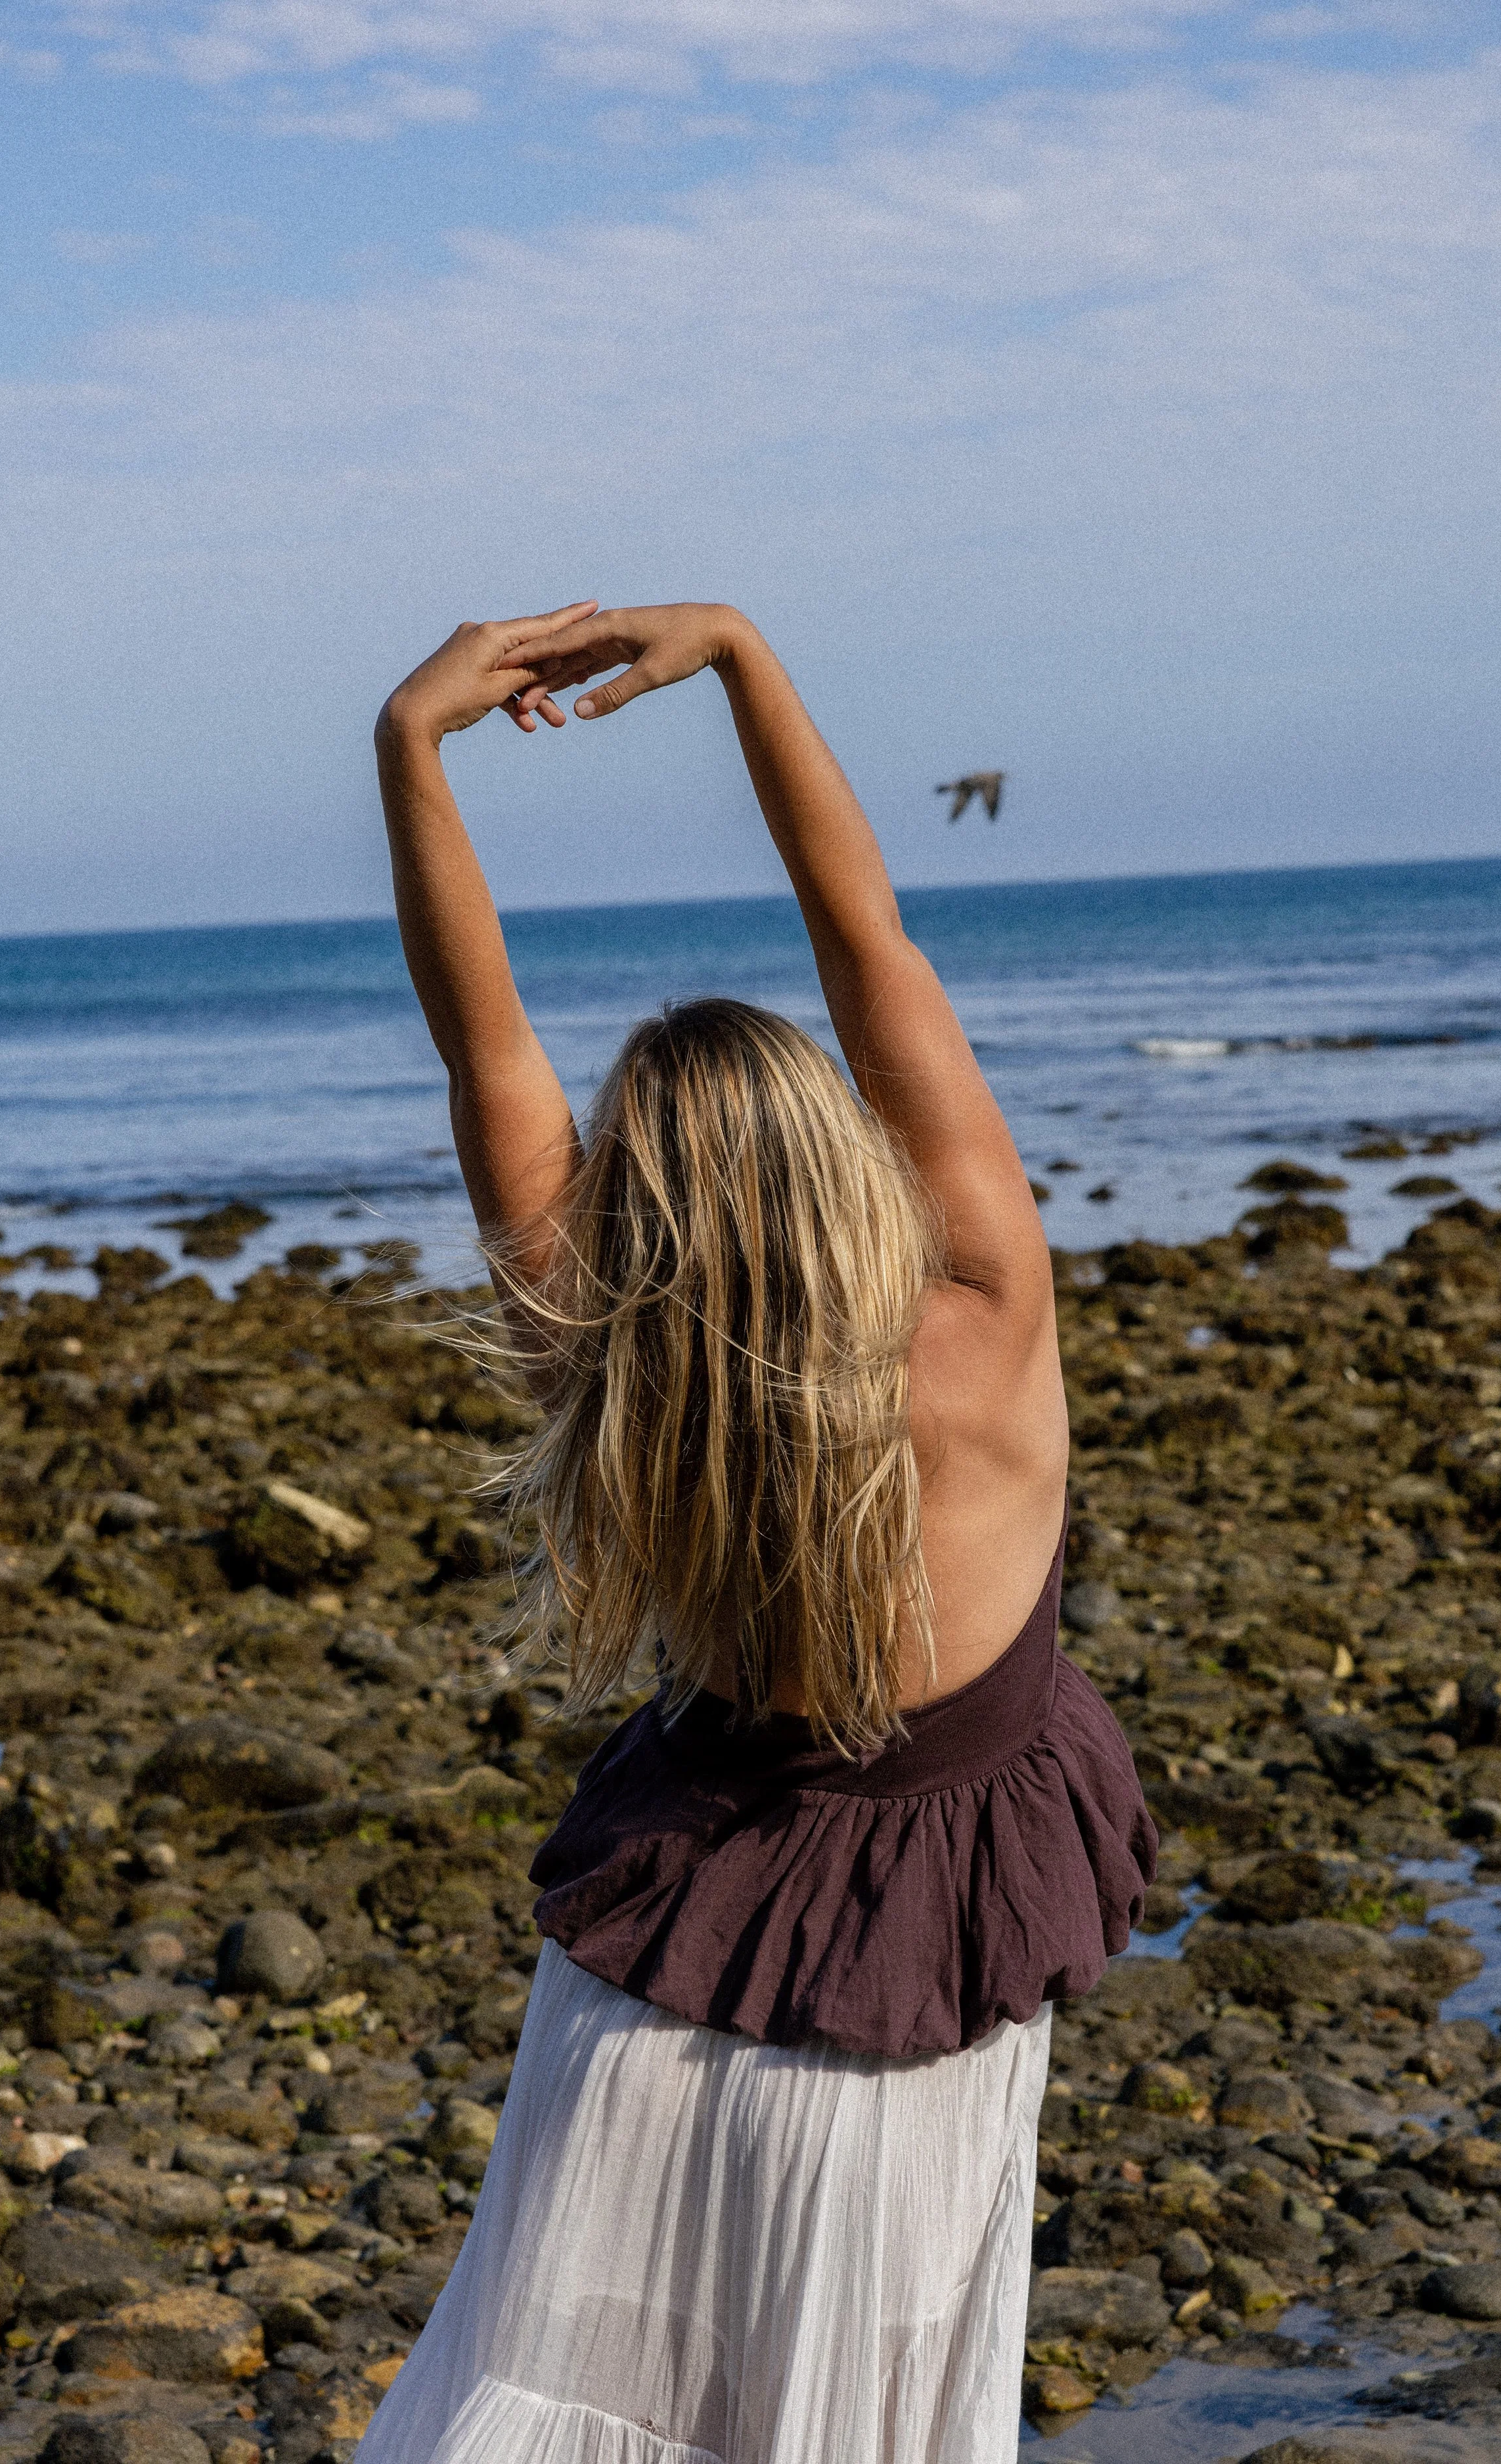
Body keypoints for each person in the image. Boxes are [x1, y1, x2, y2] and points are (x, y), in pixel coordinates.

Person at [360, 600, 1155, 2464]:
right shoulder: (979, 1312)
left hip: (652, 1993)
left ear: (635, 1204)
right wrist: (735, 653)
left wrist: (411, 749)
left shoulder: (618, 1348)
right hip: (905, 2004)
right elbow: (863, 929)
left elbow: (485, 1058)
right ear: (843, 1148)